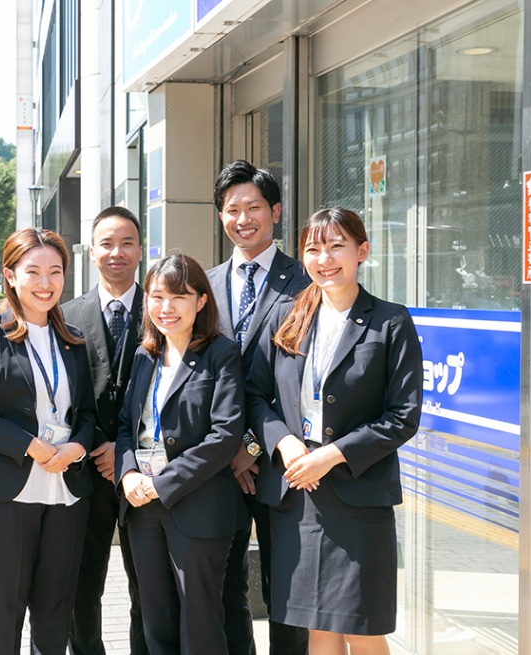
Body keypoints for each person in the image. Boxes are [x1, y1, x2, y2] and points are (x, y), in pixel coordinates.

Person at [246, 208, 423, 655]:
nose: (324, 258)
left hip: (358, 496)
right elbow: (254, 396)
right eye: (312, 248)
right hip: (297, 496)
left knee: (363, 628)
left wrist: (331, 455)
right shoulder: (288, 316)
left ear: (361, 251)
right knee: (318, 629)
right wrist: (284, 443)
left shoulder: (390, 321)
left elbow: (403, 415)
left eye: (336, 246)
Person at [0, 227, 98, 655]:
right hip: (6, 490)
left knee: (56, 606)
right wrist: (29, 445)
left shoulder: (72, 339)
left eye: (55, 272)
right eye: (33, 271)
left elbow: (87, 414)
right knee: (5, 607)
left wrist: (77, 448)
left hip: (66, 490)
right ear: (10, 276)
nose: (45, 282)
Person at [115, 252, 247, 655]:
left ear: (201, 301)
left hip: (199, 506)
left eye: (178, 297)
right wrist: (129, 475)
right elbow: (125, 425)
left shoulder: (220, 354)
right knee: (156, 621)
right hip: (143, 510)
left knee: (201, 625)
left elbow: (225, 435)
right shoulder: (144, 355)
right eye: (156, 297)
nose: (165, 308)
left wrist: (161, 483)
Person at [206, 160, 310, 655]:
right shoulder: (203, 285)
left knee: (285, 591)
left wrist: (252, 445)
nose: (243, 218)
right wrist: (230, 449)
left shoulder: (305, 282)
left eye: (253, 207)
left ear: (275, 212)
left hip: (279, 464)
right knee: (223, 591)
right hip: (217, 465)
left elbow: (303, 380)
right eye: (232, 209)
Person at [62, 206, 148, 655]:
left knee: (148, 589)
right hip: (86, 472)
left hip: (147, 473)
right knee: (83, 586)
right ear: (91, 251)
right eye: (107, 244)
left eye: (127, 243)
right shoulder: (65, 315)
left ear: (140, 249)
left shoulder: (162, 306)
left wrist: (127, 452)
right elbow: (64, 398)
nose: (117, 252)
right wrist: (100, 446)